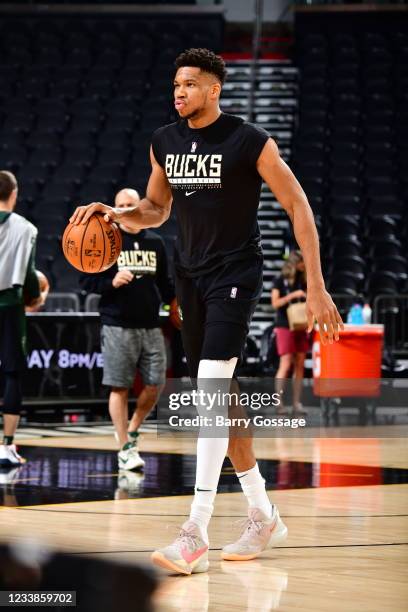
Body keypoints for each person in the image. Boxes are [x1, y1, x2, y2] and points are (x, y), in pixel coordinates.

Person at [70, 48, 344, 575]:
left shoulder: (249, 142)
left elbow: (297, 204)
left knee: (212, 388)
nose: (179, 92)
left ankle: (194, 531)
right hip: (190, 277)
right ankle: (262, 511)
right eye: (175, 84)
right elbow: (157, 209)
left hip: (235, 274)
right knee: (223, 398)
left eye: (190, 84)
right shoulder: (163, 142)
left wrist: (316, 283)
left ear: (214, 89)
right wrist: (117, 213)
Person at [80, 188, 176, 471]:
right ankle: (124, 447)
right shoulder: (105, 239)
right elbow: (85, 282)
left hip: (150, 323)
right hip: (117, 323)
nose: (124, 208)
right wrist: (111, 282)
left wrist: (176, 305)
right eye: (119, 204)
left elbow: (166, 284)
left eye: (130, 204)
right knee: (119, 386)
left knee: (156, 383)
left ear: (139, 207)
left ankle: (132, 428)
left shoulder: (156, 241)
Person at [0, 171, 48, 466]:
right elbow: (29, 276)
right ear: (14, 193)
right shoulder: (26, 228)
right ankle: (6, 445)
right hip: (10, 304)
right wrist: (37, 297)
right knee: (12, 374)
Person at [271, 250, 308, 415]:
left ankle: (296, 403)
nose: (304, 265)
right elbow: (275, 303)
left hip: (301, 324)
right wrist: (293, 295)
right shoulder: (280, 280)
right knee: (285, 363)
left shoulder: (304, 279)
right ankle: (279, 404)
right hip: (284, 324)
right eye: (301, 262)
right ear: (294, 263)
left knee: (300, 363)